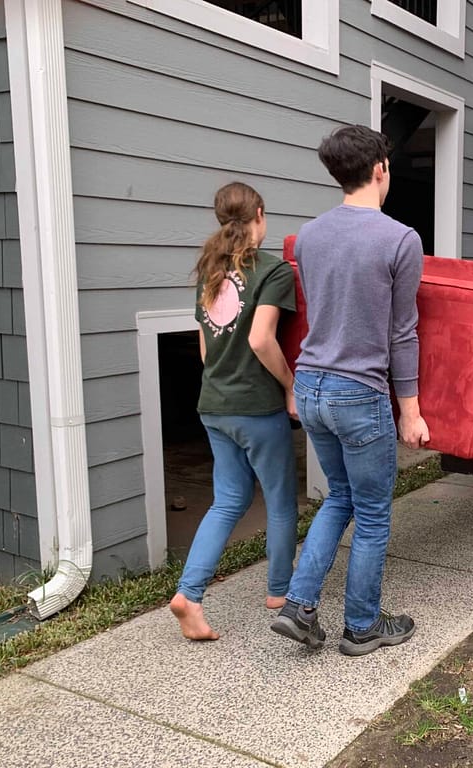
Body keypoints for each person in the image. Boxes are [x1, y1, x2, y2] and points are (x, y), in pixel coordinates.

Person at [271, 125, 429, 657]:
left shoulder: (309, 235)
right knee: (373, 511)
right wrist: (410, 410)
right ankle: (361, 626)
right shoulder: (401, 239)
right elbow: (401, 332)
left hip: (311, 385)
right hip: (358, 394)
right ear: (380, 168)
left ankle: (299, 605)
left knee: (339, 498)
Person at [170, 182, 298, 641]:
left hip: (214, 404)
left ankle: (190, 594)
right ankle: (280, 592)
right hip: (256, 406)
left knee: (228, 500)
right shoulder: (272, 270)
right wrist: (290, 384)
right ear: (259, 214)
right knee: (281, 501)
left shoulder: (211, 271)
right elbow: (262, 339)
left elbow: (207, 350)